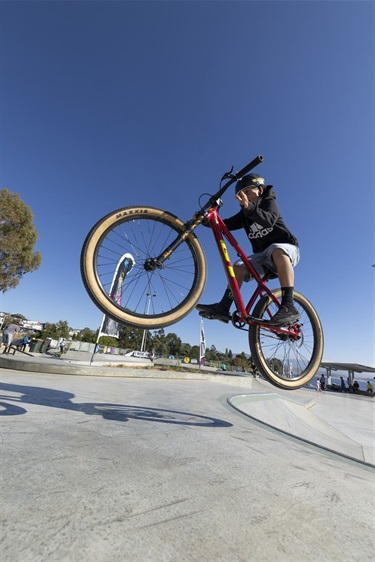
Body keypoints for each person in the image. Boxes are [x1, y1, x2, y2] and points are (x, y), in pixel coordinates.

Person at [196, 173, 300, 326]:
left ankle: (288, 305)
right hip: (262, 257)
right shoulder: (244, 214)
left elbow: (269, 220)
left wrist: (249, 207)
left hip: (287, 248)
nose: (244, 197)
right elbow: (225, 225)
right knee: (238, 267)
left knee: (277, 250)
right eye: (240, 195)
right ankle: (224, 306)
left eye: (247, 192)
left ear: (260, 189)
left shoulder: (268, 201)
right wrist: (207, 221)